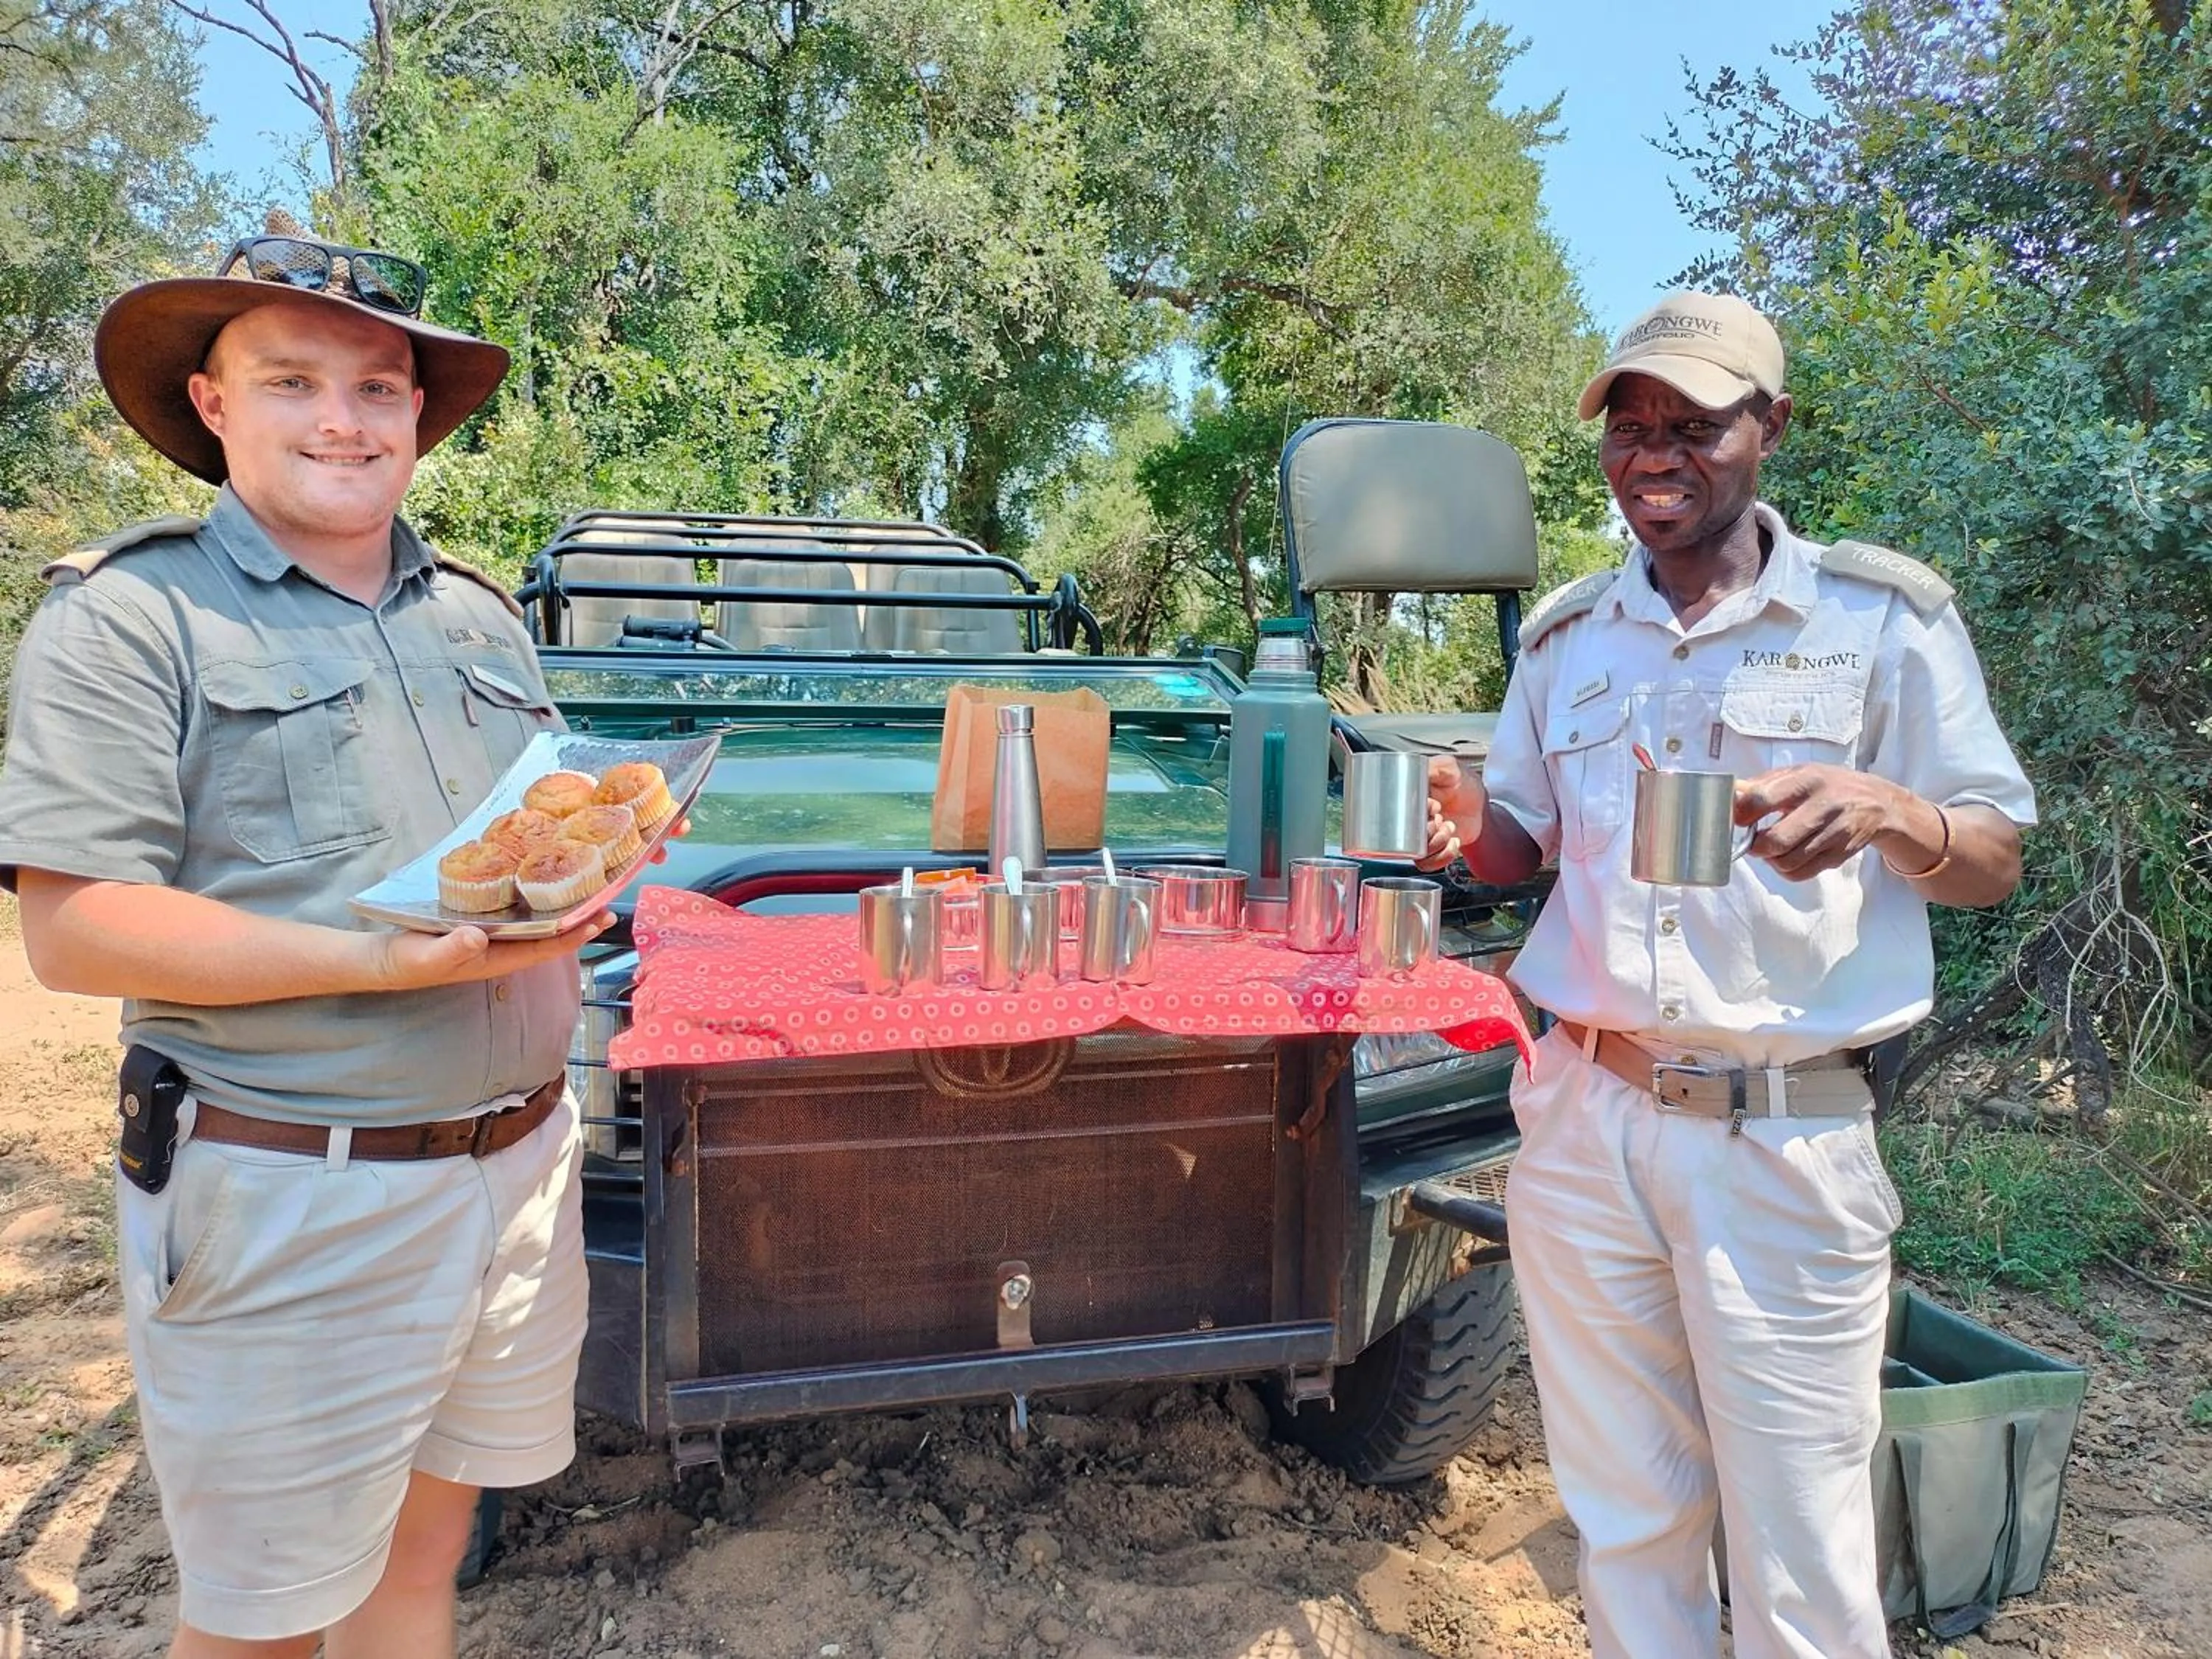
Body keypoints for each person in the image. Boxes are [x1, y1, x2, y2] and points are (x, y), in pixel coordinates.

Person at [0, 228, 632, 1658]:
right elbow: (76, 929)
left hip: (523, 1168)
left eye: (378, 387)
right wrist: (375, 962)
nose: (343, 420)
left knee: (423, 1560)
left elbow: (523, 842)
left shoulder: (478, 614)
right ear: (213, 404)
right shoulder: (130, 616)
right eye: (292, 381)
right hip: (295, 1191)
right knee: (267, 1622)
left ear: (416, 415)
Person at [1421, 291, 2035, 1659]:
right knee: (1627, 1522)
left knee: (1802, 1558)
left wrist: (1893, 812)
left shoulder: (1879, 619)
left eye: (1693, 426)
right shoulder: (1568, 640)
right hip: (1587, 1120)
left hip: (1783, 1136)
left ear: (1772, 427)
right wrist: (1469, 821)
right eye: (1630, 428)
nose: (1655, 456)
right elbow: (1522, 842)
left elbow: (1993, 852)